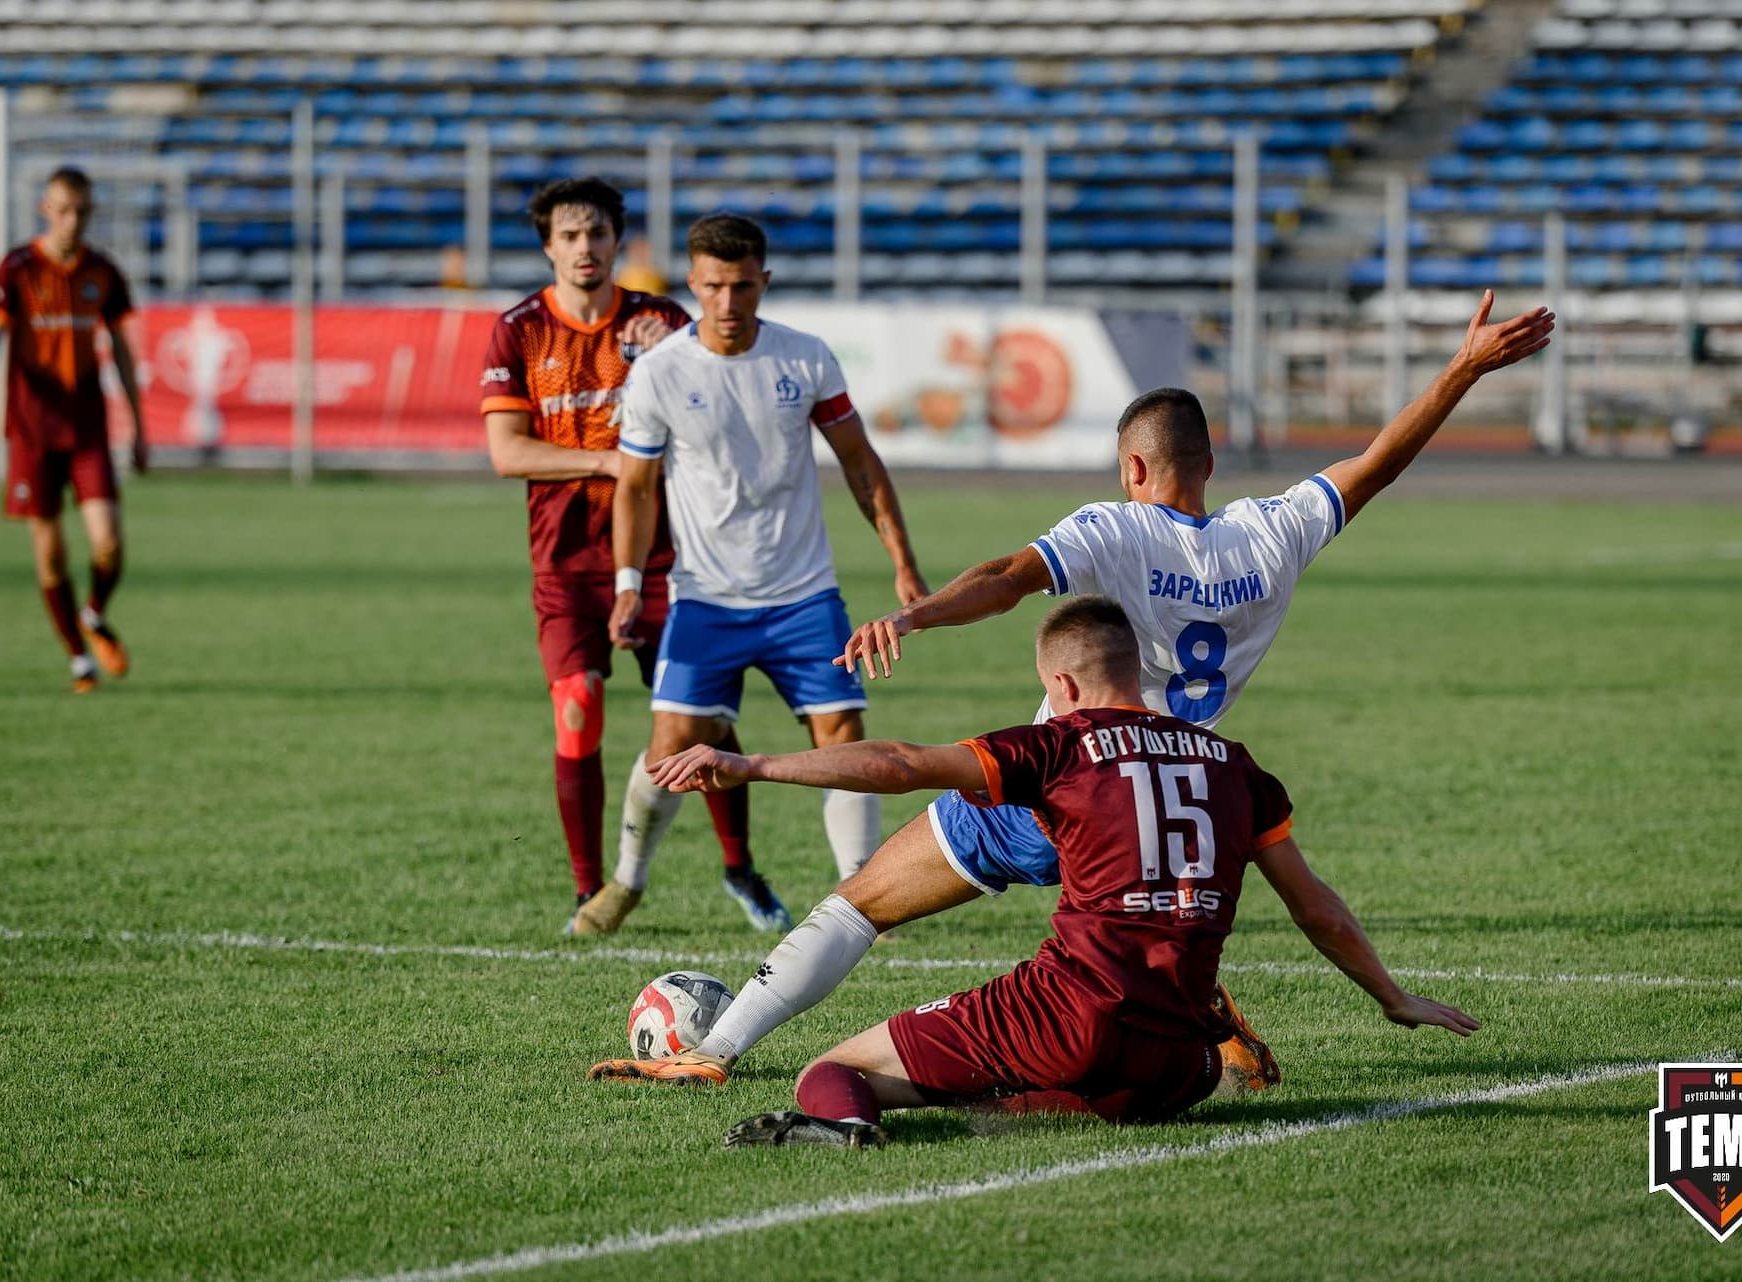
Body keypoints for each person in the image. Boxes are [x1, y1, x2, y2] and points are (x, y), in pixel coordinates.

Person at [580, 291, 1552, 1092]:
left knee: (861, 903)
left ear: (1133, 468)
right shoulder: (1275, 533)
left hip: (1062, 784)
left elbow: (1007, 577)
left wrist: (915, 616)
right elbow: (1378, 463)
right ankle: (1206, 1021)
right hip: (1179, 802)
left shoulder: (1117, 528)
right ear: (1208, 463)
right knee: (1133, 939)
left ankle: (716, 1048)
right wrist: (1462, 369)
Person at [595, 597, 1479, 1147]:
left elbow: (900, 762)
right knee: (1038, 1095)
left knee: (830, 1075)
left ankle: (839, 1129)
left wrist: (753, 765)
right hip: (1179, 1056)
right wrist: (1393, 997)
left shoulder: (1061, 745)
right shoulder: (1236, 766)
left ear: (1063, 684)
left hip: (1069, 1014)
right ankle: (1193, 1054)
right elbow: (1317, 908)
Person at [570, 212, 927, 936]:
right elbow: (635, 488)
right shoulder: (661, 371)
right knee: (673, 743)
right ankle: (626, 882)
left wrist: (904, 565)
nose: (727, 301)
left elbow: (860, 463)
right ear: (692, 283)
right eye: (713, 287)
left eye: (741, 286)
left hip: (803, 594)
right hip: (705, 598)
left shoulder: (806, 358)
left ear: (764, 281)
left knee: (842, 730)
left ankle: (863, 897)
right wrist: (629, 584)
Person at [480, 178, 787, 935]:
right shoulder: (519, 331)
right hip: (566, 559)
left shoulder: (666, 323)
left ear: (619, 241)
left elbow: (724, 418)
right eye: (570, 235)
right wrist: (610, 463)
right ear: (548, 247)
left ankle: (740, 868)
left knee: (701, 721)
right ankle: (590, 889)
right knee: (577, 707)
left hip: (666, 557)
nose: (585, 248)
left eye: (597, 233)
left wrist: (673, 361)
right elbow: (507, 452)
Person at [0, 165, 148, 694]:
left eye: (82, 212)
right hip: (32, 432)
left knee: (108, 543)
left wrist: (138, 424)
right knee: (50, 555)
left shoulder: (103, 272)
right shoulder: (17, 269)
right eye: (64, 210)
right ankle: (78, 660)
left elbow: (121, 350)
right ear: (45, 209)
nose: (73, 221)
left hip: (87, 429)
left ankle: (93, 614)